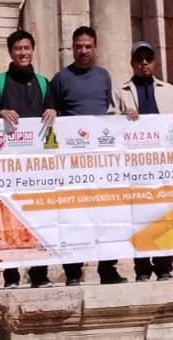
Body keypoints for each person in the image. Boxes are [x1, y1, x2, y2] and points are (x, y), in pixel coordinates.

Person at [0, 30, 57, 289]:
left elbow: (54, 112)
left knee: (39, 217)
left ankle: (39, 275)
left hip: (37, 165)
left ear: (32, 50)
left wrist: (53, 110)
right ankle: (11, 277)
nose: (23, 53)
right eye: (18, 49)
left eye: (26, 48)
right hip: (8, 163)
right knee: (9, 215)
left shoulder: (44, 83)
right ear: (10, 52)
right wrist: (0, 112)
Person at [48, 26, 122, 286]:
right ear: (72, 47)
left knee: (106, 215)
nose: (83, 51)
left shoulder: (104, 76)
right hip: (72, 161)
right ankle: (72, 272)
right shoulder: (60, 78)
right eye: (78, 46)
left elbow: (110, 112)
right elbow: (51, 111)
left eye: (88, 46)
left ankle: (108, 269)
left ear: (95, 47)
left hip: (101, 160)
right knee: (73, 217)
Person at [115, 41, 173, 281]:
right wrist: (122, 117)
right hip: (136, 167)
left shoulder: (170, 90)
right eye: (139, 59)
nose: (143, 63)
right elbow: (109, 123)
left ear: (154, 61)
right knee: (140, 217)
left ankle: (165, 266)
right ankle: (143, 268)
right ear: (132, 62)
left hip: (164, 165)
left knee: (166, 215)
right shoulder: (121, 92)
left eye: (148, 58)